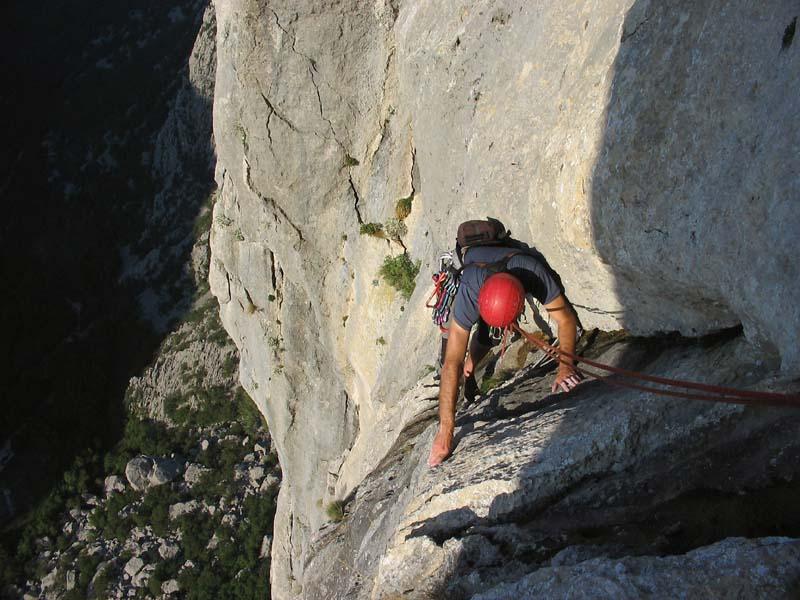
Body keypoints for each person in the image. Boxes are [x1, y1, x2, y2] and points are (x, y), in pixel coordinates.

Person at [428, 222, 583, 468]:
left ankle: (472, 365)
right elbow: (451, 363)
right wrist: (445, 430)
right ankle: (469, 369)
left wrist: (566, 366)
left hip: (506, 272)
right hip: (472, 268)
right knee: (461, 349)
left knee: (491, 337)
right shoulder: (470, 290)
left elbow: (565, 320)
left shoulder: (532, 272)